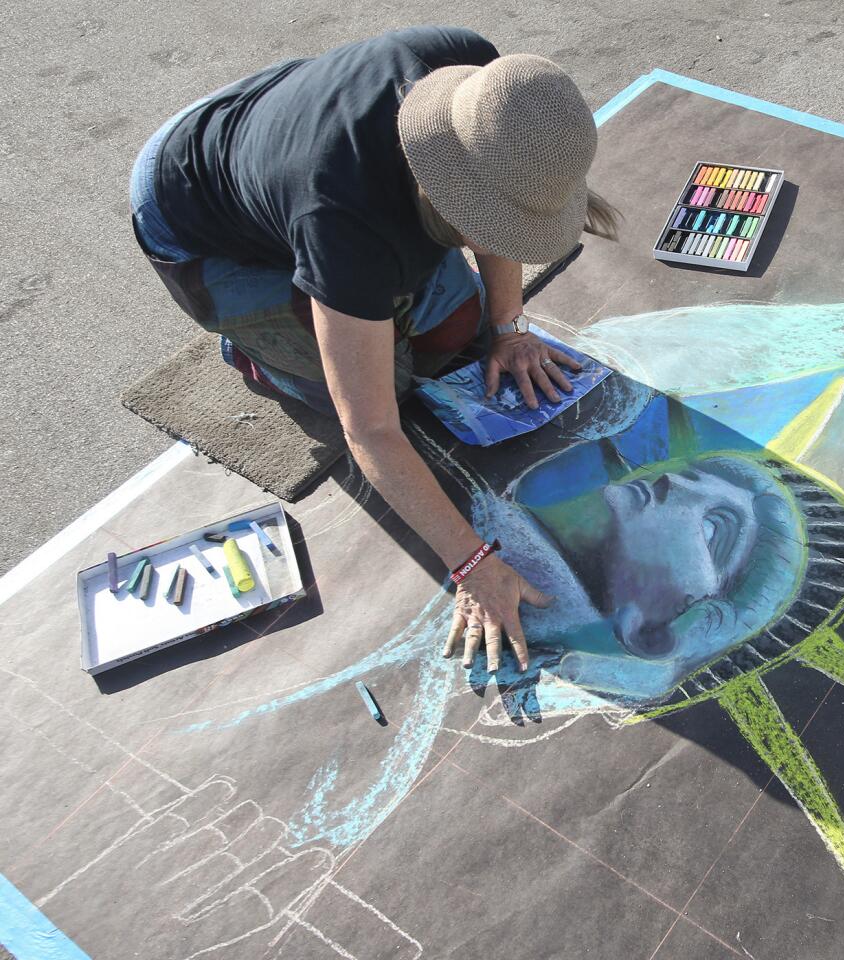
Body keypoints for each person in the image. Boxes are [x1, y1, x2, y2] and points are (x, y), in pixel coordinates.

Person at [128, 27, 620, 672]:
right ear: (447, 186)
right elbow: (371, 430)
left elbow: (499, 201)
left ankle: (348, 307)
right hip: (193, 210)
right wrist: (471, 563)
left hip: (278, 127)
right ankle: (255, 349)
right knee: (377, 383)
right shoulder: (343, 221)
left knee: (453, 332)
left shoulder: (498, 95)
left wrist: (508, 329)